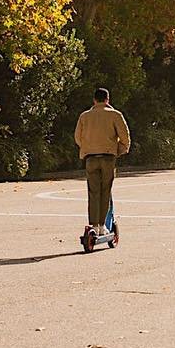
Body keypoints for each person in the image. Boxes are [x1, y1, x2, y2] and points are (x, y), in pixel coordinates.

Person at [74, 87, 130, 248]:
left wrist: (89, 147)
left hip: (91, 157)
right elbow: (125, 138)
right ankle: (102, 226)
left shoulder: (84, 116)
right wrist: (117, 150)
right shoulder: (115, 115)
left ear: (94, 100)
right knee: (105, 190)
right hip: (107, 157)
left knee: (93, 192)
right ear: (107, 99)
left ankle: (93, 224)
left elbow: (78, 137)